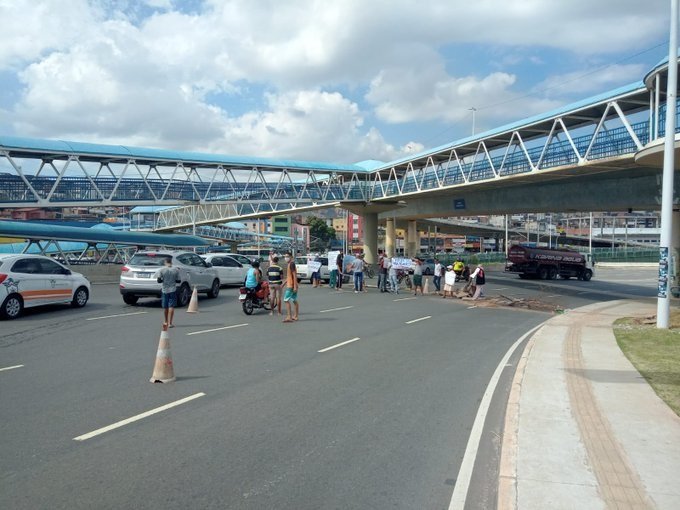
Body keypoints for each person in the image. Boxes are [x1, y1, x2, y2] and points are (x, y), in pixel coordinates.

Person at [154, 256, 181, 328]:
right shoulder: (176, 270)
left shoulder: (162, 270)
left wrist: (164, 280)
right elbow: (178, 281)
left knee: (165, 307)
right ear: (171, 262)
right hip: (173, 289)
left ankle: (165, 321)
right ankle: (170, 323)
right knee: (171, 306)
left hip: (165, 290)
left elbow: (159, 280)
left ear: (165, 262)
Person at [283, 251, 299, 322]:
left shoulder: (291, 264)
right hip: (291, 284)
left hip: (291, 285)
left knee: (286, 300)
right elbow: (289, 276)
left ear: (291, 257)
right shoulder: (289, 264)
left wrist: (295, 286)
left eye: (287, 256)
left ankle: (289, 316)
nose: (286, 258)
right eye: (285, 257)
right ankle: (295, 316)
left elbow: (294, 275)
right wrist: (283, 283)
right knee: (294, 300)